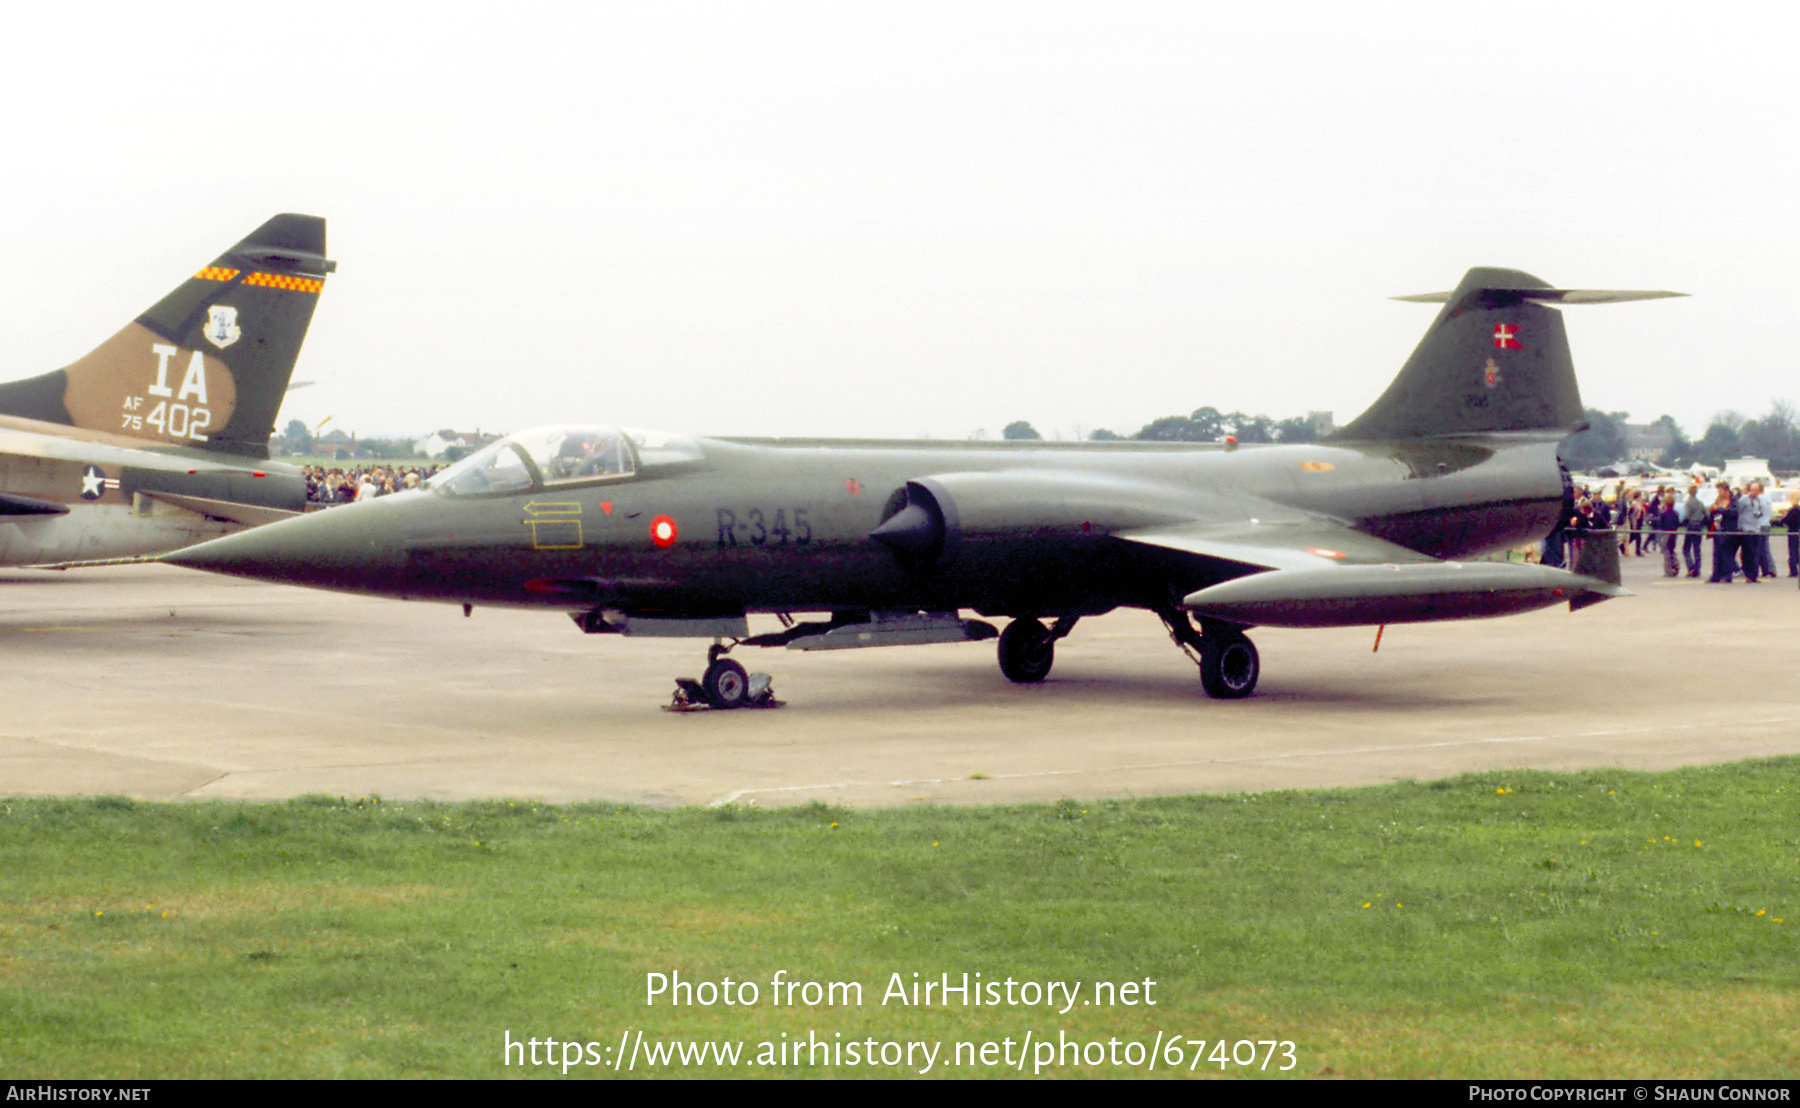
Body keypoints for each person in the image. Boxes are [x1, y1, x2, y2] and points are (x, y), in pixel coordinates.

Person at [1736, 482, 1768, 583]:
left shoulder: (1758, 500)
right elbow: (1739, 512)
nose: (1754, 492)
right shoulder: (1744, 499)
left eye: (1756, 490)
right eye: (1752, 490)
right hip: (1746, 529)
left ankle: (1754, 575)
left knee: (1756, 552)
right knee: (1747, 553)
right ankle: (1748, 574)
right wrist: (1739, 528)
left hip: (1756, 529)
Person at [1708, 483, 1738, 583]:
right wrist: (1712, 509)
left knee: (1727, 555)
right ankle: (1716, 575)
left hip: (1728, 530)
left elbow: (1733, 512)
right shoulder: (1718, 500)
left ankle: (1727, 576)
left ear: (1726, 491)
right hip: (1718, 530)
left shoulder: (1733, 500)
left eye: (1720, 491)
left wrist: (1719, 509)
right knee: (1717, 554)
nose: (1719, 493)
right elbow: (1715, 512)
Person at [1681, 484, 1708, 577]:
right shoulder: (1700, 502)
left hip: (1691, 526)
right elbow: (1706, 513)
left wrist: (1682, 522)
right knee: (1697, 549)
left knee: (1686, 548)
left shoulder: (1688, 502)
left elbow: (1687, 515)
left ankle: (1691, 567)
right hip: (1699, 526)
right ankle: (1697, 569)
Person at [1654, 491, 1681, 577]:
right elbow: (1677, 523)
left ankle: (1668, 570)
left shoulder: (1663, 513)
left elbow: (1660, 524)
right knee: (1672, 549)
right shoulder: (1675, 513)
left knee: (1666, 551)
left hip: (1666, 533)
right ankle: (1676, 564)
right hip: (1674, 532)